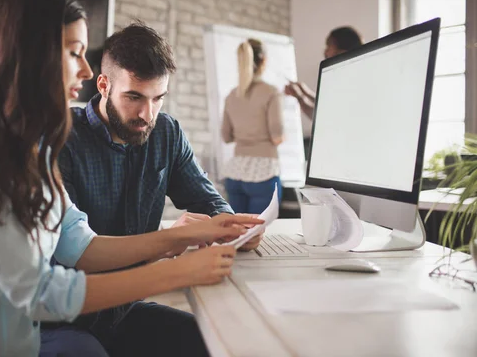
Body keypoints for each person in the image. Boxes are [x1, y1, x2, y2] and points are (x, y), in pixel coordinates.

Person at [0, 0, 262, 357]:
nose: (84, 69)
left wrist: (189, 235)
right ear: (30, 57)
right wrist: (181, 270)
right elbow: (41, 293)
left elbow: (81, 245)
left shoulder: (27, 146)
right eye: (74, 53)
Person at [43, 22, 264, 357]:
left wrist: (232, 226)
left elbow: (207, 198)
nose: (147, 114)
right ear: (103, 85)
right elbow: (75, 257)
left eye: (157, 98)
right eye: (134, 97)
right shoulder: (62, 139)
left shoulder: (166, 132)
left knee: (213, 341)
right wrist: (172, 242)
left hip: (122, 309)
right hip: (61, 318)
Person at [220, 38, 284, 214]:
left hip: (236, 172)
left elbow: (226, 137)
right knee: (261, 233)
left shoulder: (231, 95)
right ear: (263, 60)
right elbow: (277, 136)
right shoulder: (271, 92)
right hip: (264, 173)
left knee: (236, 232)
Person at [285, 26, 363, 118]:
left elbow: (323, 117)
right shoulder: (355, 74)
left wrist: (299, 97)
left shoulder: (349, 80)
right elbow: (328, 105)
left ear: (342, 52)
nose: (325, 51)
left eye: (328, 46)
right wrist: (306, 93)